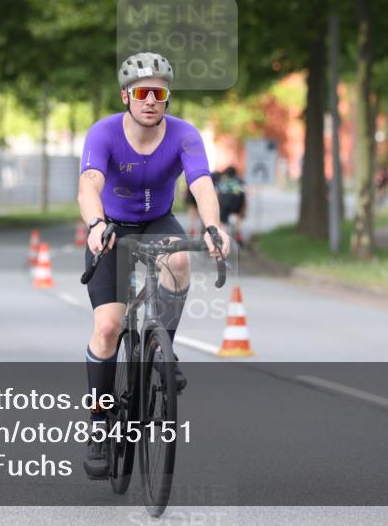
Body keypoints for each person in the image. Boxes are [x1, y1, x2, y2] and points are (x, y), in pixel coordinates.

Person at [78, 51, 229, 478]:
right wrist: (94, 223)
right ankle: (98, 426)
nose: (151, 101)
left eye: (159, 93)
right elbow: (89, 183)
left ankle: (164, 349)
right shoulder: (104, 133)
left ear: (167, 97)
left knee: (180, 256)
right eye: (142, 93)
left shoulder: (184, 134)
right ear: (126, 95)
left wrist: (214, 227)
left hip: (158, 220)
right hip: (110, 227)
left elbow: (201, 182)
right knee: (108, 327)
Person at [215, 165, 247, 245]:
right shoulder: (240, 181)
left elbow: (217, 194)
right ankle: (238, 236)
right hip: (237, 205)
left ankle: (222, 239)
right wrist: (244, 208)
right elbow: (245, 192)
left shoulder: (222, 181)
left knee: (223, 223)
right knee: (238, 220)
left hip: (224, 204)